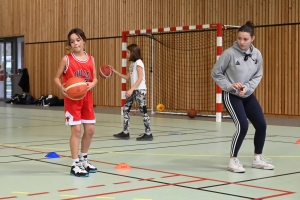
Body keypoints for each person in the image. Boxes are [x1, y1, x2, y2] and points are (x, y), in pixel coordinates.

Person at [211, 21, 274, 173]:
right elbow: (216, 73)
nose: (241, 42)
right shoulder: (229, 53)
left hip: (248, 95)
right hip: (231, 96)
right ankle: (233, 161)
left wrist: (247, 88)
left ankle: (257, 158)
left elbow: (258, 75)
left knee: (261, 125)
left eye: (245, 39)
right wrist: (229, 86)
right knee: (242, 126)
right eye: (239, 38)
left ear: (252, 38)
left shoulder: (257, 54)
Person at [54, 28, 98, 177]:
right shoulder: (66, 59)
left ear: (84, 40)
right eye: (72, 41)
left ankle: (83, 159)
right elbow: (56, 77)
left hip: (87, 98)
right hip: (72, 100)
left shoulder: (91, 59)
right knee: (77, 131)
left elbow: (95, 78)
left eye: (78, 40)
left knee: (90, 130)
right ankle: (74, 164)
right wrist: (62, 88)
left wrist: (92, 84)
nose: (75, 43)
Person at [110, 44, 153, 141]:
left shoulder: (139, 62)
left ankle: (149, 133)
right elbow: (126, 77)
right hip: (135, 90)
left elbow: (140, 78)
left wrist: (131, 89)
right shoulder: (132, 64)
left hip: (140, 90)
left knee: (143, 111)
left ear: (133, 53)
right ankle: (125, 132)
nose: (127, 54)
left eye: (128, 52)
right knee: (126, 109)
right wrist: (114, 71)